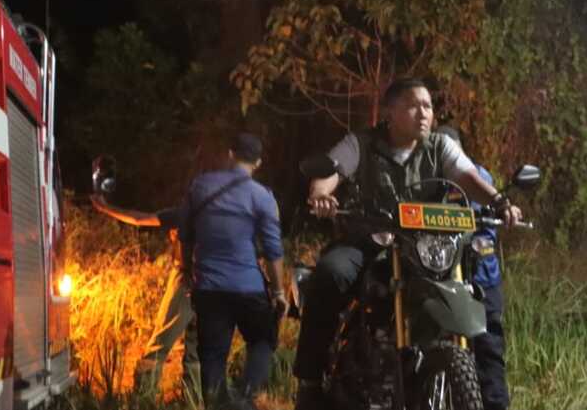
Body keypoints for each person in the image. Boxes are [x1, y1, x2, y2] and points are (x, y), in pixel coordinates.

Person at [295, 78, 522, 410]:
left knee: (476, 292)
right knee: (331, 273)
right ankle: (310, 381)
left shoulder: (440, 146)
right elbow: (332, 171)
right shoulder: (362, 143)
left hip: (422, 248)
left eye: (428, 106)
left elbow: (468, 177)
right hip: (371, 242)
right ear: (390, 112)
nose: (424, 113)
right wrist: (320, 196)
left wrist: (500, 203)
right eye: (414, 105)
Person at [181, 133, 287, 408]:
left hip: (209, 288)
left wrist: (186, 271)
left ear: (230, 154)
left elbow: (185, 235)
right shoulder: (263, 197)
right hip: (248, 287)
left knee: (213, 355)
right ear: (259, 162)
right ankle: (246, 398)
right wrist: (278, 292)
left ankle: (218, 405)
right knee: (263, 339)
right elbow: (274, 251)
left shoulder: (200, 186)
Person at [89, 194, 199, 397]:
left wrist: (105, 208)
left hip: (185, 282)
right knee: (196, 352)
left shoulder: (183, 213)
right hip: (213, 287)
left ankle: (143, 398)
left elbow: (139, 219)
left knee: (159, 346)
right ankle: (195, 400)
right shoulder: (220, 216)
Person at [436, 124, 510, 410]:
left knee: (489, 349)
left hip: (480, 276)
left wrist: (503, 209)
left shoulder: (479, 177)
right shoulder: (425, 179)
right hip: (438, 274)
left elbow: (495, 209)